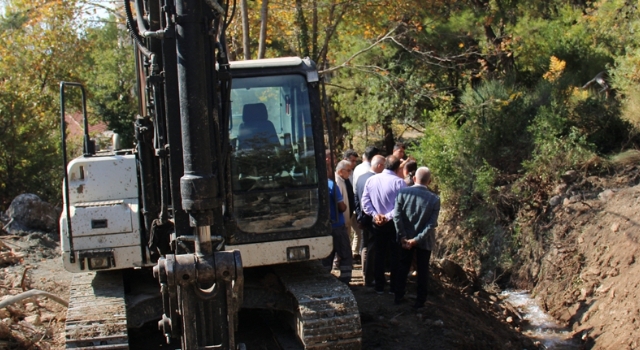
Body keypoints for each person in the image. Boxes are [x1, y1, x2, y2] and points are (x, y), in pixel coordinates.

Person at [393, 167, 440, 309]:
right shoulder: (434, 199)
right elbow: (431, 224)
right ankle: (420, 301)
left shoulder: (402, 192)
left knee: (403, 266)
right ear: (429, 181)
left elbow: (396, 216)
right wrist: (417, 240)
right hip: (424, 241)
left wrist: (403, 237)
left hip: (404, 239)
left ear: (414, 178)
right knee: (423, 270)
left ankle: (398, 296)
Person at [361, 155, 406, 294]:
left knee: (379, 254)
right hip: (393, 223)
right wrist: (387, 216)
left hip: (377, 222)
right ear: (398, 167)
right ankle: (393, 287)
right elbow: (401, 205)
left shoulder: (371, 180)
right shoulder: (400, 183)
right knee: (394, 254)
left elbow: (365, 201)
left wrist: (375, 215)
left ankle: (379, 286)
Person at [354, 154, 385, 287]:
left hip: (364, 218)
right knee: (373, 248)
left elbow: (356, 198)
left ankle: (365, 274)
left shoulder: (361, 178)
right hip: (374, 219)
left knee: (365, 246)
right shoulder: (375, 180)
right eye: (383, 166)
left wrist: (359, 217)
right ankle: (370, 277)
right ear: (378, 165)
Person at [322, 176, 353, 284]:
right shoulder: (331, 185)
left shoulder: (315, 184)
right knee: (345, 253)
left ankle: (324, 279)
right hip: (337, 224)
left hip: (323, 227)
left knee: (326, 255)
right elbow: (341, 207)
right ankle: (345, 280)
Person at [335, 160, 354, 236]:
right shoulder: (337, 181)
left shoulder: (342, 180)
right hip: (341, 222)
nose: (350, 173)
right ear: (340, 171)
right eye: (348, 170)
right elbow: (339, 202)